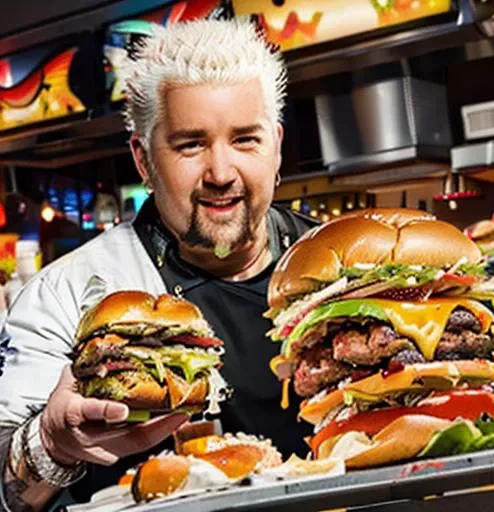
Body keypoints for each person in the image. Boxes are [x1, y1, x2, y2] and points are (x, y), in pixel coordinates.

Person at [0, 18, 317, 511]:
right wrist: (50, 444)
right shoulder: (66, 294)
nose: (220, 172)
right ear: (144, 160)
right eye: (190, 143)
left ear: (275, 146)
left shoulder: (340, 269)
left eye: (246, 139)